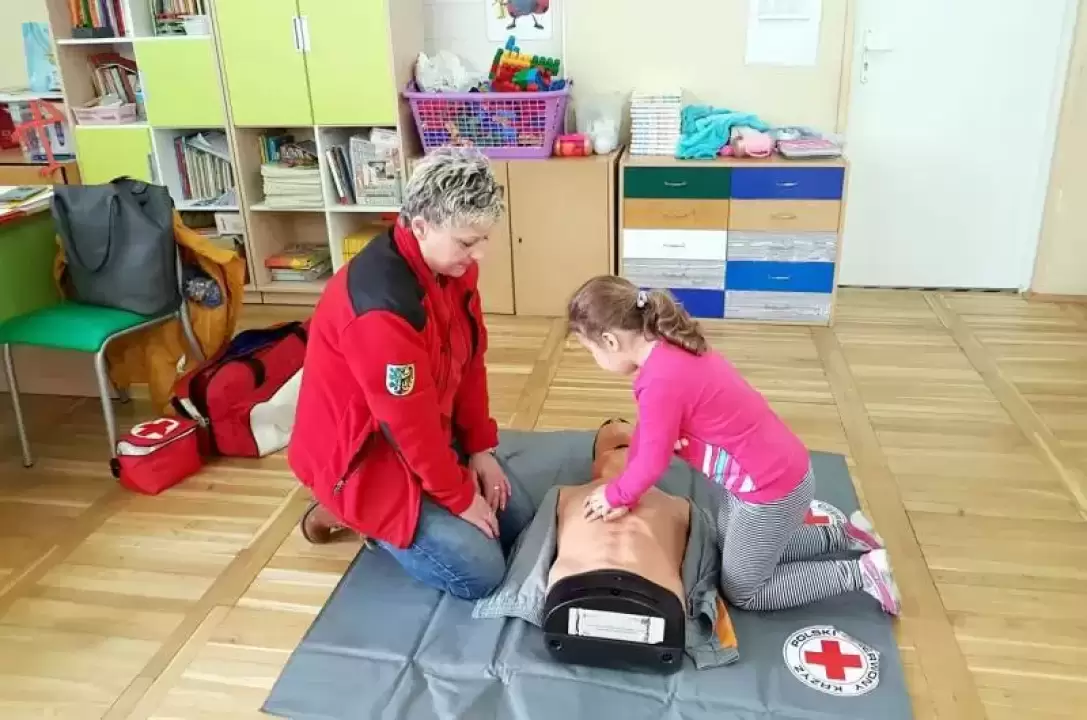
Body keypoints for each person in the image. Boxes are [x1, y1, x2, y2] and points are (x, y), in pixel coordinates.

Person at [566, 276, 902, 615]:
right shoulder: (669, 347)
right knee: (730, 546)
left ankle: (862, 573)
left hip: (770, 491)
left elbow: (653, 460)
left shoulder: (660, 381)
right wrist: (628, 481)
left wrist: (617, 495)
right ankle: (847, 536)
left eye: (591, 351)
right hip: (774, 472)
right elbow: (649, 433)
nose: (595, 358)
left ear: (609, 341)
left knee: (744, 591)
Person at [288, 147, 533, 600]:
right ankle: (343, 510)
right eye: (467, 242)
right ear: (420, 227)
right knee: (482, 572)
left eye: (483, 238)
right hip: (365, 456)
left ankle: (415, 500)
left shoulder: (453, 269)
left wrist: (479, 447)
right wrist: (459, 496)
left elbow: (470, 360)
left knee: (518, 520)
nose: (480, 254)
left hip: (425, 428)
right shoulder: (382, 308)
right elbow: (407, 425)